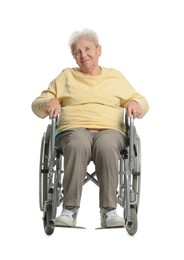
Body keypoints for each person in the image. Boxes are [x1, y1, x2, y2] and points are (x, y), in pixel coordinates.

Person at [32, 29, 149, 228]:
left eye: (87, 49)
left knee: (106, 145)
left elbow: (140, 100)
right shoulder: (67, 76)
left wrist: (135, 104)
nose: (83, 55)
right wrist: (50, 100)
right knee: (78, 143)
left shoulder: (115, 77)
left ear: (99, 50)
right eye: (77, 52)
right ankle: (69, 210)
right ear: (73, 57)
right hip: (73, 129)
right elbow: (38, 103)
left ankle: (109, 212)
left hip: (110, 131)